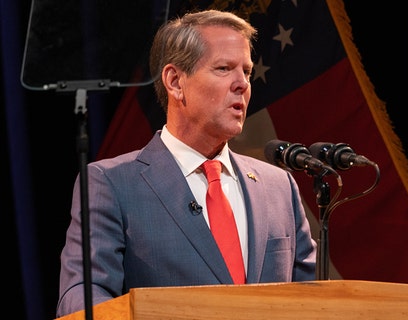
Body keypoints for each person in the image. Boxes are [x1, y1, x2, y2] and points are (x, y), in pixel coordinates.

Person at [56, 9, 317, 317]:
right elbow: (82, 296)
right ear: (175, 81)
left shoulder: (279, 186)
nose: (242, 84)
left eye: (246, 72)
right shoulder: (111, 184)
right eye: (224, 68)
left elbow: (311, 297)